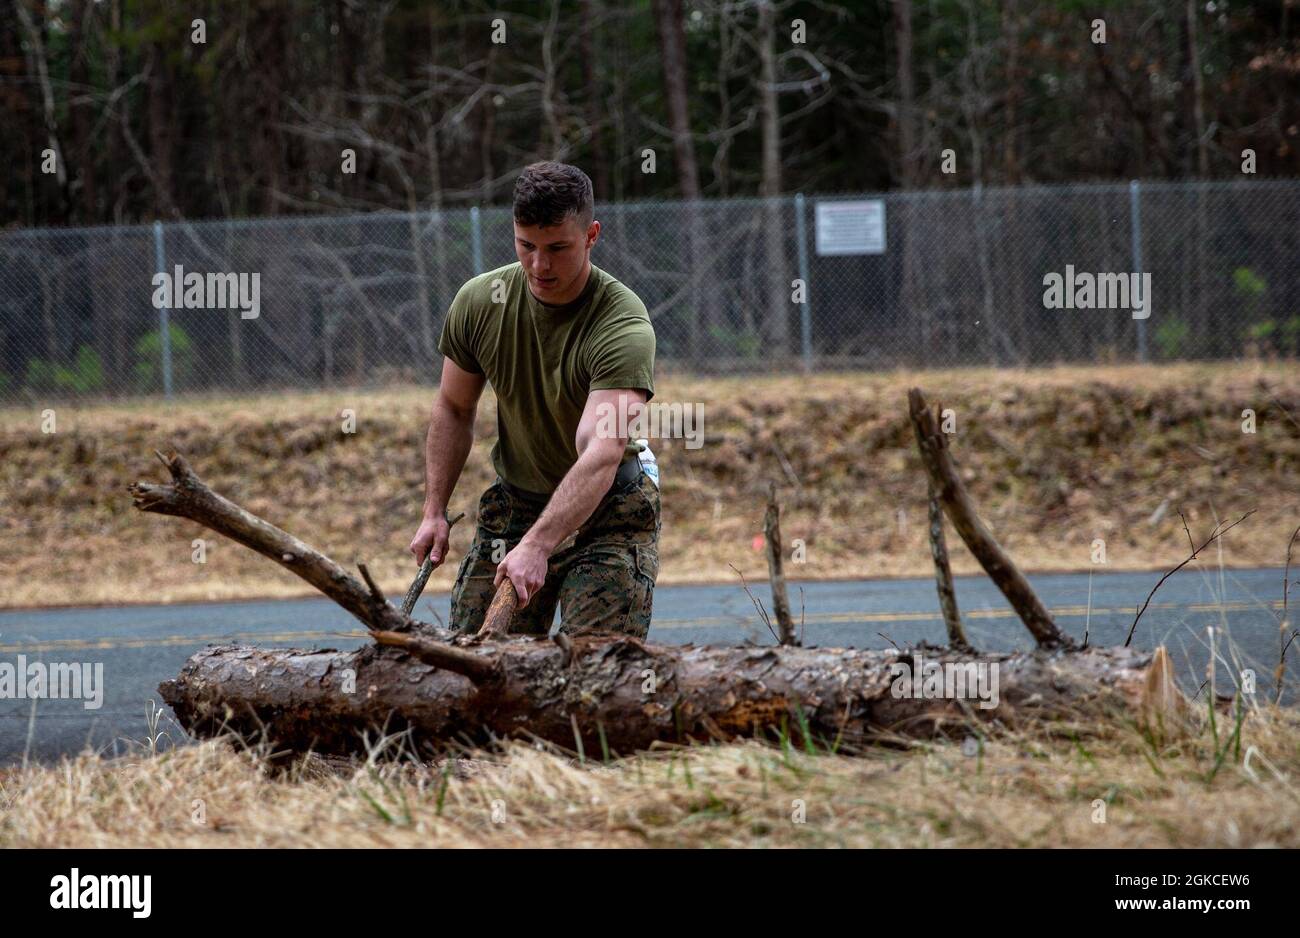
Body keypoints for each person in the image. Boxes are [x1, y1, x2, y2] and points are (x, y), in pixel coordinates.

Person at [408, 161, 660, 638]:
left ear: (591, 236)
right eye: (527, 246)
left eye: (558, 248)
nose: (539, 266)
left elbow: (601, 452)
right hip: (516, 502)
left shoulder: (622, 324)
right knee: (470, 657)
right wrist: (433, 511)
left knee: (598, 669)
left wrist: (539, 546)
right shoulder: (481, 302)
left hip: (608, 511)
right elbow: (454, 408)